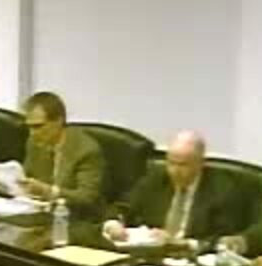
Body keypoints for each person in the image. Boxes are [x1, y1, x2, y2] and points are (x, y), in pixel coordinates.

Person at [103, 131, 241, 246]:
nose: (175, 171)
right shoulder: (156, 178)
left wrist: (182, 243)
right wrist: (113, 223)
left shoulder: (221, 189)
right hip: (150, 252)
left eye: (183, 165)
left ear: (200, 163)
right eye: (171, 163)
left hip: (190, 259)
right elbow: (123, 206)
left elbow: (222, 240)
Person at [20, 91, 105, 219]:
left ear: (59, 121)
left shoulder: (86, 150)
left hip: (77, 218)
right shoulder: (34, 142)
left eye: (38, 126)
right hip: (42, 213)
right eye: (29, 127)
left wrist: (49, 191)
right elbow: (28, 176)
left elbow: (87, 197)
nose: (32, 133)